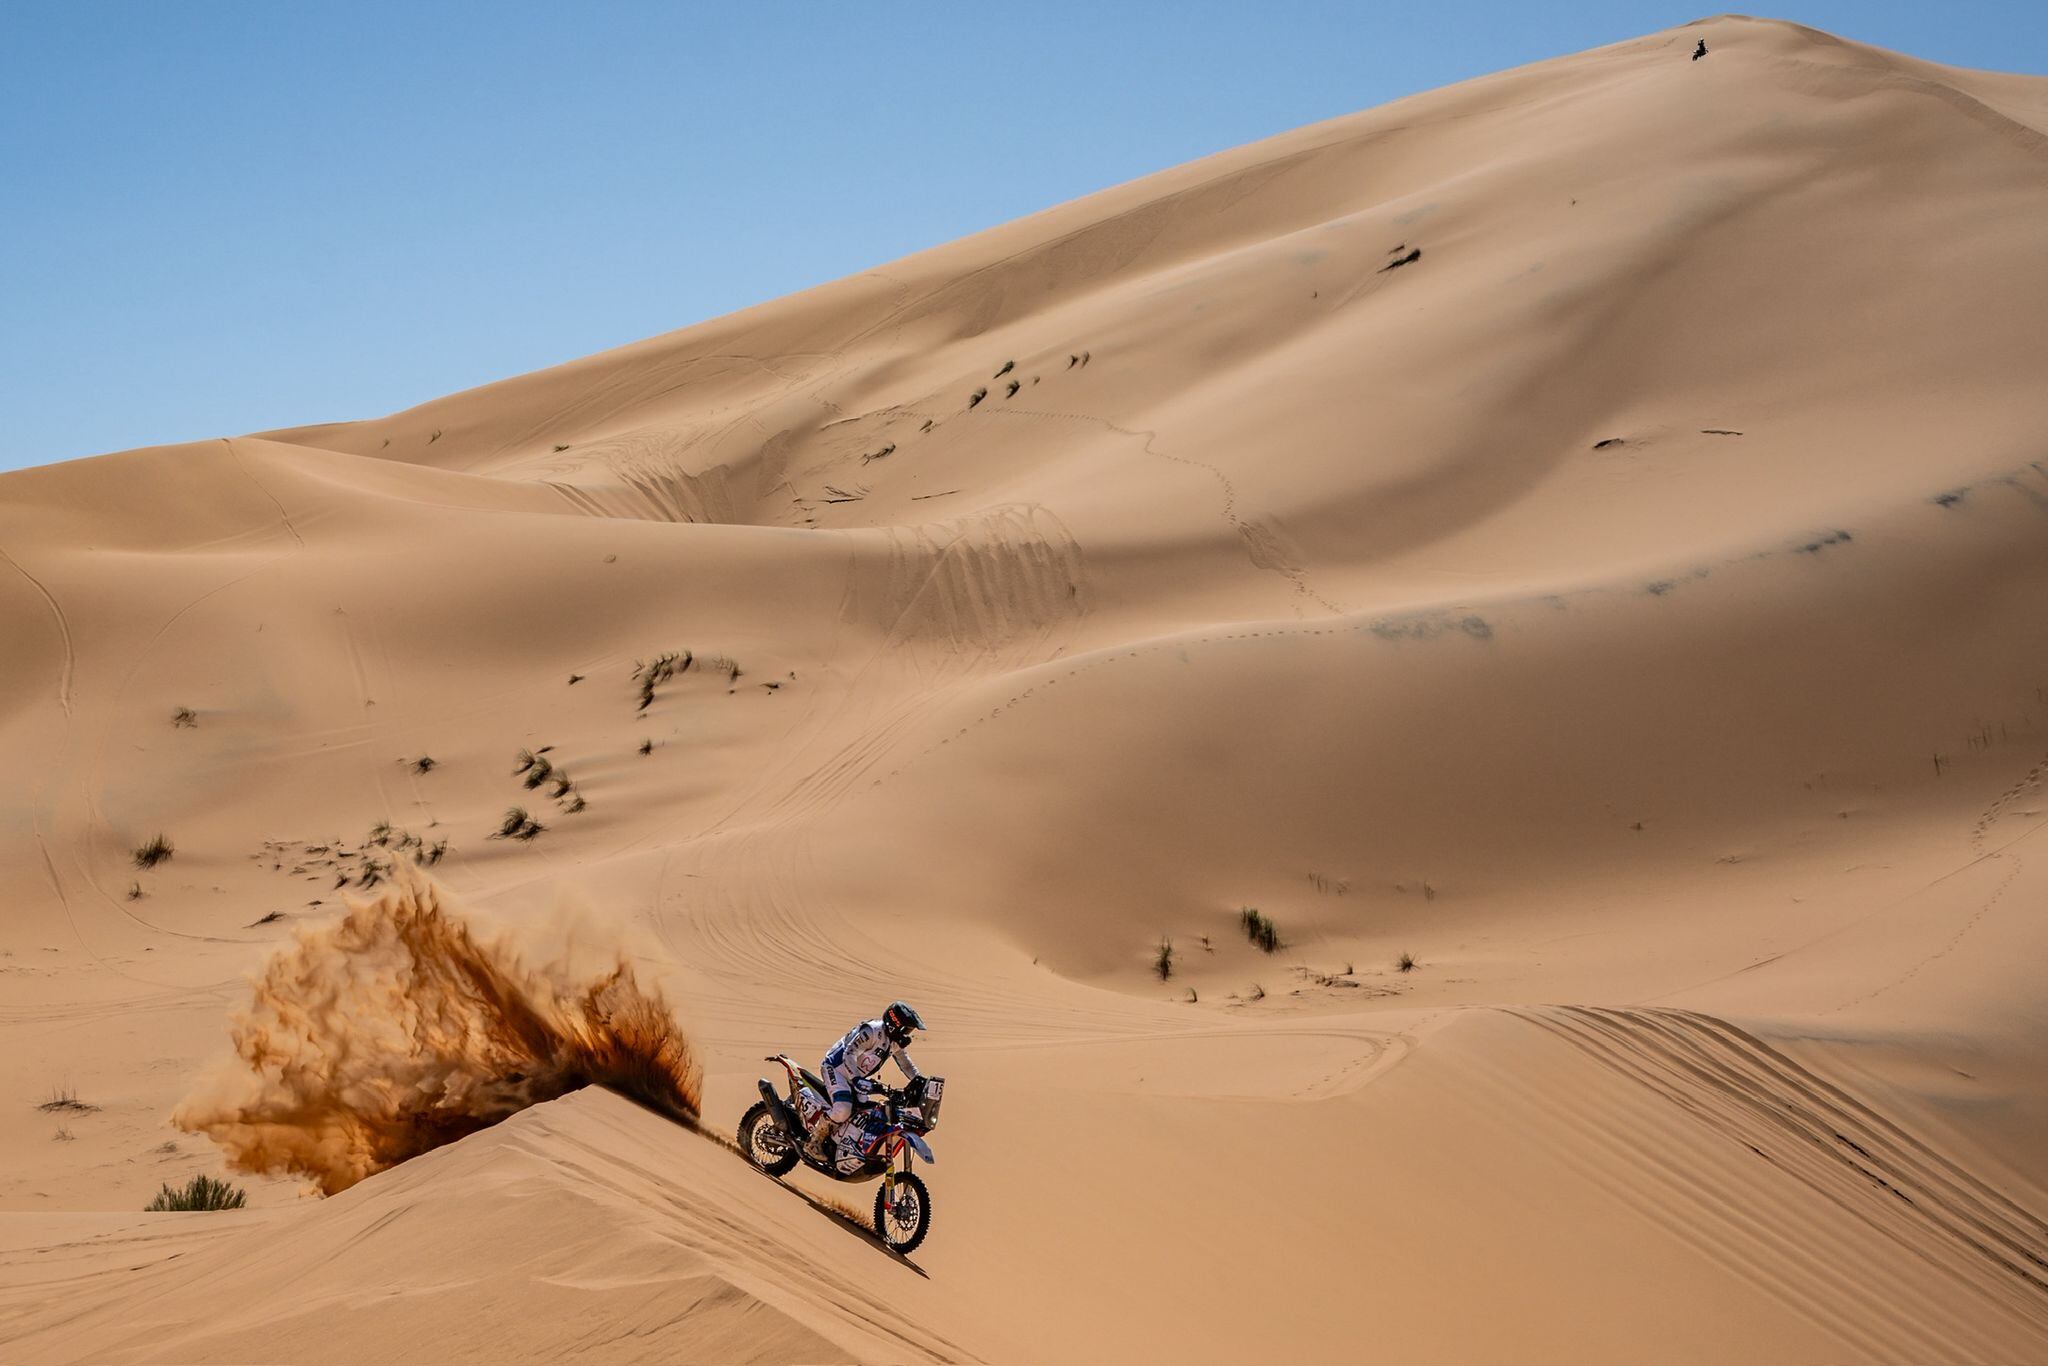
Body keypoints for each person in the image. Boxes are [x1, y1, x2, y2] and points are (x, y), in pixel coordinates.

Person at [805, 1001, 926, 1160]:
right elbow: (849, 1053)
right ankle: (814, 1141)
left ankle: (839, 1145)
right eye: (907, 1030)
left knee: (866, 1114)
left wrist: (920, 1080)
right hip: (836, 1068)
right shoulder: (872, 1031)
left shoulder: (893, 1042)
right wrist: (855, 1078)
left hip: (855, 1078)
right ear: (895, 1024)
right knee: (843, 1109)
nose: (908, 1035)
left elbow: (905, 1064)